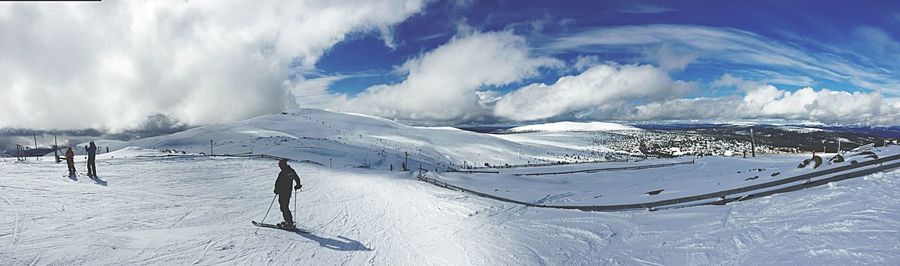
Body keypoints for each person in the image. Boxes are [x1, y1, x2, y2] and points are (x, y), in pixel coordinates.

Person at [273, 159, 302, 229]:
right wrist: (298, 185)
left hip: (283, 192)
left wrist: (276, 190)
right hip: (288, 192)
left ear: (283, 165)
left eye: (280, 165)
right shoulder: (291, 170)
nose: (279, 167)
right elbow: (297, 178)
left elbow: (278, 182)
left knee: (284, 207)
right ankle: (288, 221)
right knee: (284, 206)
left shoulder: (283, 172)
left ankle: (289, 222)